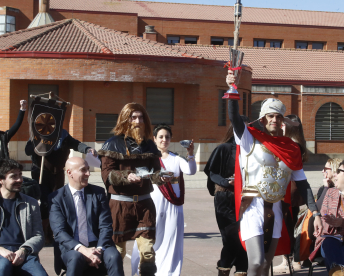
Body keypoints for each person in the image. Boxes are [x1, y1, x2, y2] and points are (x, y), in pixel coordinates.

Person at [226, 72, 322, 276]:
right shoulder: (249, 139)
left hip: (277, 208)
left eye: (278, 117)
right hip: (252, 206)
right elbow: (234, 117)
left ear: (283, 121)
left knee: (265, 264)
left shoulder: (291, 148)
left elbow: (303, 184)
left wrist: (316, 212)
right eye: (270, 116)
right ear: (263, 118)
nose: (274, 120)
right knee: (256, 262)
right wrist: (233, 89)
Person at [99, 102, 166, 276]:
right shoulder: (112, 144)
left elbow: (155, 172)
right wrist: (125, 176)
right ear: (125, 119)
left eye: (141, 117)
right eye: (133, 117)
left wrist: (162, 177)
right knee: (117, 253)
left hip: (144, 204)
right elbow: (106, 174)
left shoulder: (150, 145)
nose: (138, 121)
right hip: (119, 206)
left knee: (148, 252)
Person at [131, 124, 196, 276]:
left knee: (172, 238)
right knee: (151, 237)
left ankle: (169, 272)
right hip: (154, 202)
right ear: (154, 139)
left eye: (167, 137)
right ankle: (144, 268)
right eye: (160, 137)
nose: (164, 140)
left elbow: (191, 171)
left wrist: (191, 154)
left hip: (173, 205)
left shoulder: (176, 159)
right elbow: (140, 175)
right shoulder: (149, 158)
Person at [0, 159, 47, 276]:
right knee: (3, 267)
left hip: (23, 253)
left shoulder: (30, 203)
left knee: (40, 275)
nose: (19, 180)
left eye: (20, 175)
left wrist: (24, 250)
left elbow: (39, 235)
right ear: (0, 180)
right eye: (13, 176)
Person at [49, 156, 124, 276]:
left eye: (88, 169)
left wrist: (98, 250)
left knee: (114, 256)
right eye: (83, 170)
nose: (88, 174)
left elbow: (106, 226)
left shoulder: (98, 193)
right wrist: (83, 250)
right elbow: (59, 232)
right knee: (76, 258)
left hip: (98, 243)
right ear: (70, 173)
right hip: (73, 246)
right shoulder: (56, 198)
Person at [25, 129, 98, 244]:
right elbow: (27, 150)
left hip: (57, 174)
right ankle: (44, 233)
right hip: (41, 173)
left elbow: (75, 144)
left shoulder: (62, 134)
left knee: (56, 202)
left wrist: (87, 149)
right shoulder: (37, 133)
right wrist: (41, 142)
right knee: (44, 204)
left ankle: (54, 230)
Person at [204, 118, 249, 276]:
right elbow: (211, 171)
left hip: (247, 199)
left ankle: (241, 270)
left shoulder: (251, 150)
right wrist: (225, 181)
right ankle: (224, 269)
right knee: (231, 238)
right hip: (226, 198)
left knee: (245, 238)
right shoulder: (223, 148)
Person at [274, 114, 308, 272]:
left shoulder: (292, 144)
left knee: (288, 225)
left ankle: (291, 261)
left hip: (290, 188)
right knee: (290, 224)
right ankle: (291, 260)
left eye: (283, 123)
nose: (280, 125)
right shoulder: (298, 142)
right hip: (292, 188)